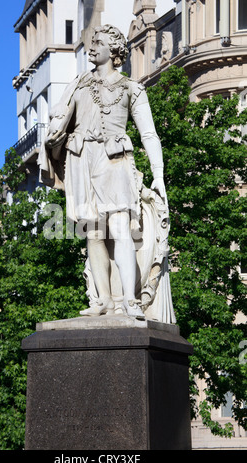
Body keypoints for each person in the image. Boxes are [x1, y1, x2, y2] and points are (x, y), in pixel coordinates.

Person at [39, 25, 174, 322]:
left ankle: (129, 300)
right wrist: (52, 136)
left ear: (113, 51)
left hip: (115, 160)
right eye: (91, 42)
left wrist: (158, 174)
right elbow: (59, 120)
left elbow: (149, 134)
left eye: (97, 42)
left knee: (121, 227)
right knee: (94, 233)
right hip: (82, 160)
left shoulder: (131, 89)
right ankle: (102, 300)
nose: (91, 47)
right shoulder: (78, 85)